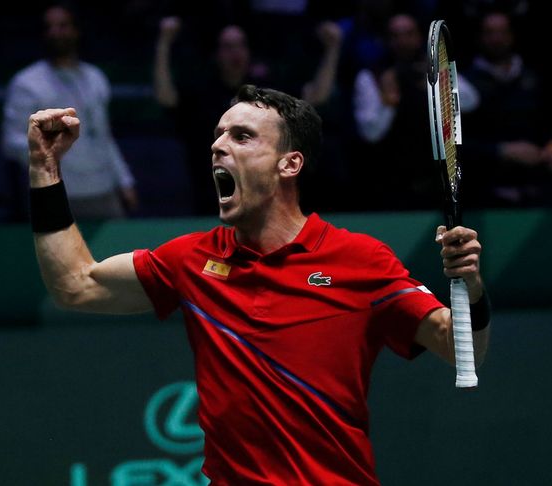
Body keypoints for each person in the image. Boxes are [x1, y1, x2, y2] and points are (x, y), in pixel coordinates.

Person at [25, 84, 491, 485]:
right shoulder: (191, 259)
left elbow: (459, 344)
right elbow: (74, 285)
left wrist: (469, 285)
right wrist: (45, 170)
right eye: (218, 135)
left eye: (242, 136)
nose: (218, 146)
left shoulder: (360, 260)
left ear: (289, 164)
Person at [153, 16, 343, 215]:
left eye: (240, 45)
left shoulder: (267, 91)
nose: (235, 52)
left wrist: (333, 47)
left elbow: (316, 95)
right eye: (228, 46)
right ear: (217, 54)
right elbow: (166, 97)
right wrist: (164, 42)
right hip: (210, 200)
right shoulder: (202, 92)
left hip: (264, 202)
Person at [1, 3, 138, 220]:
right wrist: (46, 151)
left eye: (63, 26)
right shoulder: (26, 83)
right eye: (49, 27)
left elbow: (104, 136)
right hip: (55, 193)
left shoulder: (95, 77)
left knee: (113, 254)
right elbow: (11, 142)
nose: (55, 32)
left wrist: (124, 181)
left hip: (103, 190)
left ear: (76, 30)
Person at [351, 12, 480, 210]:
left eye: (409, 34)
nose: (402, 41)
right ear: (386, 40)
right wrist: (388, 101)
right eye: (395, 35)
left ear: (419, 37)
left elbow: (472, 102)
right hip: (390, 184)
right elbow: (371, 134)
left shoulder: (436, 67)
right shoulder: (371, 77)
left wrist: (436, 81)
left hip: (438, 183)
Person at [461, 10, 552, 207]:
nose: (496, 39)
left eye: (502, 32)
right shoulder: (464, 83)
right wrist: (501, 150)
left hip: (537, 190)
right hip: (485, 194)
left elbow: (548, 119)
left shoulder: (533, 76)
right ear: (480, 37)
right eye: (490, 32)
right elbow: (457, 144)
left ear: (512, 35)